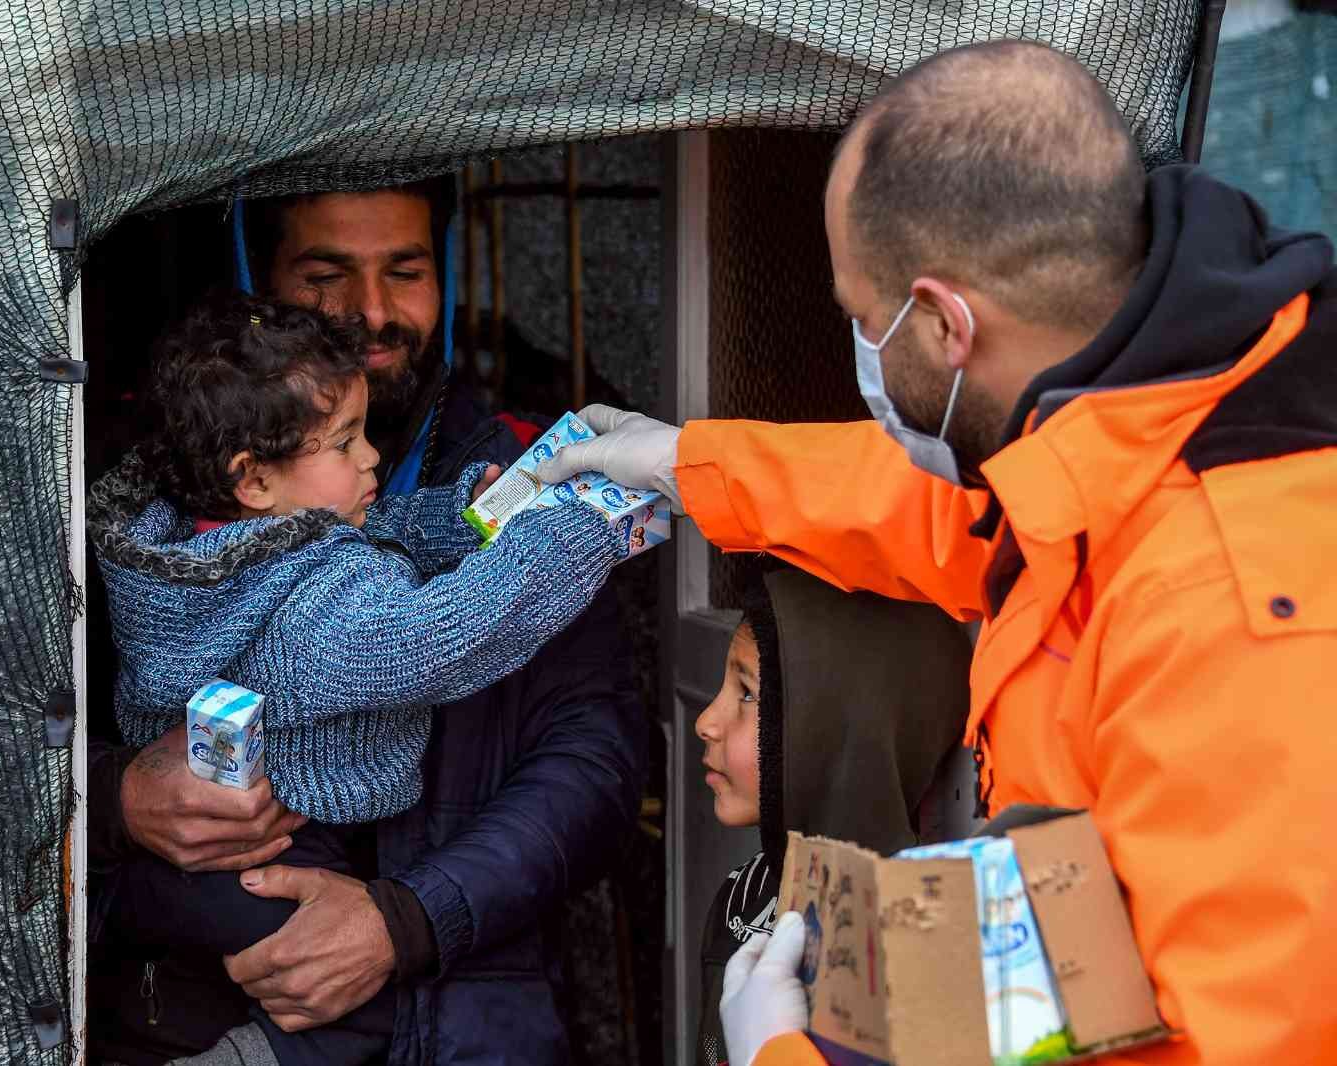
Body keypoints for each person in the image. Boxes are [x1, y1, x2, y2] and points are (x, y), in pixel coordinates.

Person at [540, 39, 1337, 1066]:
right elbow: (937, 512)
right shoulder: (1151, 406)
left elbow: (1238, 1038)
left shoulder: (1239, 604)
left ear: (947, 324)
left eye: (864, 319)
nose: (860, 351)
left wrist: (785, 1057)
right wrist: (689, 463)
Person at [86, 179, 647, 1065]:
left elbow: (596, 761)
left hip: (464, 1010)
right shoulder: (295, 584)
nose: (372, 310)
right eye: (325, 273)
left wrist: (410, 920)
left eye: (408, 270)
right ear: (253, 274)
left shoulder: (218, 522)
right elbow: (438, 635)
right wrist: (109, 796)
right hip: (224, 926)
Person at [693, 566, 971, 1066]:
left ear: (839, 733)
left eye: (748, 694)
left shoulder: (911, 943)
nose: (706, 720)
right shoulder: (744, 893)